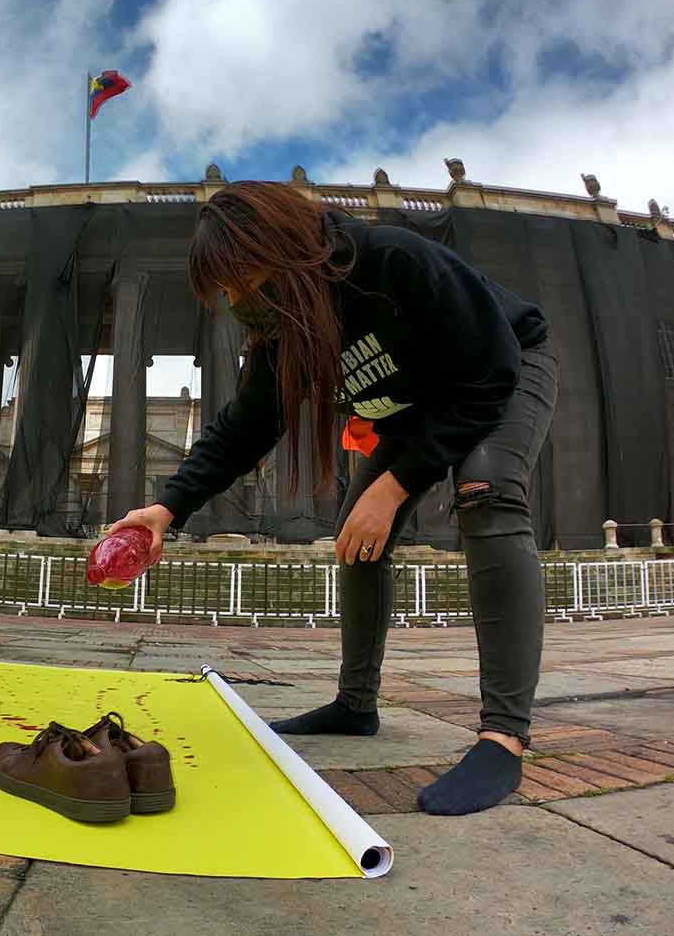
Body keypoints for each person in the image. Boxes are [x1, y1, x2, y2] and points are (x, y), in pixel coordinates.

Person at [108, 182, 556, 816]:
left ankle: (503, 737)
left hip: (504, 369)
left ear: (281, 248)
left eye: (239, 280)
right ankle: (355, 705)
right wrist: (167, 508)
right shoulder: (281, 327)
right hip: (411, 410)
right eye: (226, 291)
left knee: (487, 492)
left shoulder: (392, 261)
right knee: (357, 533)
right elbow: (247, 426)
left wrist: (396, 485)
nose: (235, 301)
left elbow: (489, 373)